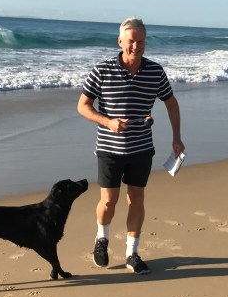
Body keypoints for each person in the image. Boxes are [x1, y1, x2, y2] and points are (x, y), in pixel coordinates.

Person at [77, 17, 184, 274]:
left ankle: (132, 253)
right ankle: (101, 239)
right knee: (109, 201)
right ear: (120, 41)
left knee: (136, 198)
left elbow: (171, 103)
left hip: (141, 148)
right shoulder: (102, 70)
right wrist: (108, 122)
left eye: (141, 42)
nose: (136, 46)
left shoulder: (155, 71)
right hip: (109, 148)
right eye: (131, 41)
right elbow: (82, 106)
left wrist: (176, 137)